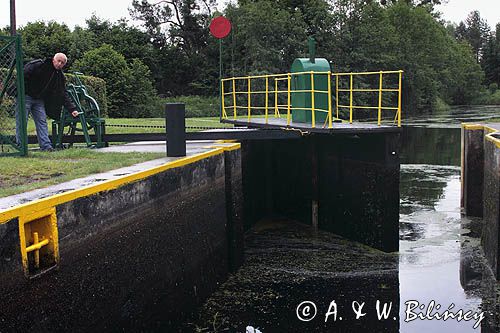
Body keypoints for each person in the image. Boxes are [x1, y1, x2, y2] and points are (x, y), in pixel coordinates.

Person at [16, 52, 79, 151]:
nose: (59, 64)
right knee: (22, 121)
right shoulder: (38, 65)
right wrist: (22, 91)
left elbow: (63, 93)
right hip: (26, 97)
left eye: (62, 63)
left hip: (39, 100)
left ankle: (46, 146)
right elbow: (23, 76)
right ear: (54, 59)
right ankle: (20, 146)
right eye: (58, 61)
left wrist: (72, 109)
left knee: (42, 122)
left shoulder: (59, 76)